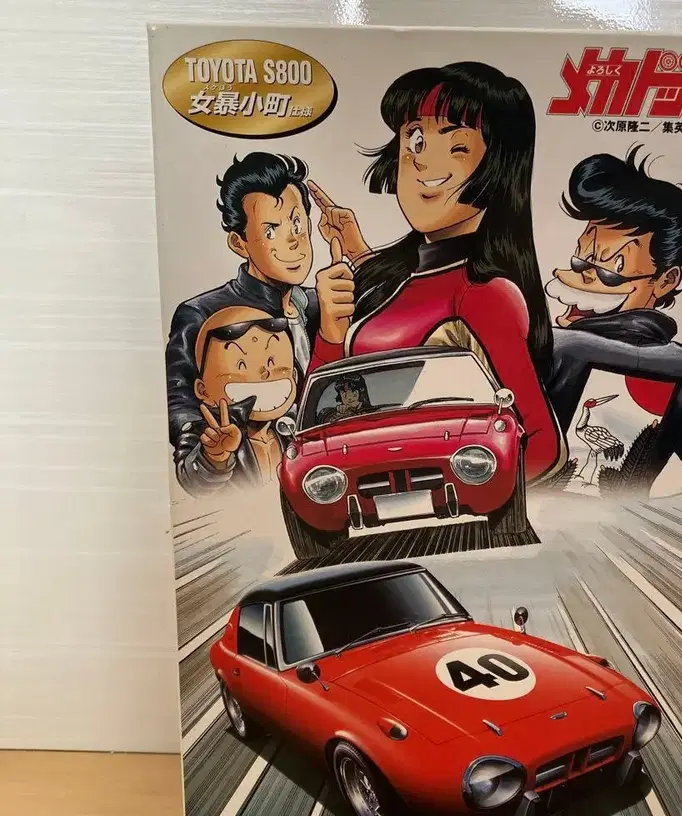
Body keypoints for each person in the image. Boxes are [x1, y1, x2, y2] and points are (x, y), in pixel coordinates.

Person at [306, 62, 565, 484]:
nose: (423, 163)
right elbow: (321, 424)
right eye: (416, 139)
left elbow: (540, 445)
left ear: (500, 165)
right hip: (356, 485)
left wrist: (468, 504)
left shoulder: (484, 294)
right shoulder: (402, 275)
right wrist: (337, 319)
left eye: (457, 147)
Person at [544, 146, 682, 494]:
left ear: (666, 280)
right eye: (580, 261)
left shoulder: (552, 347)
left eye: (611, 272)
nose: (581, 277)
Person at [165, 153, 327, 449]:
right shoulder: (203, 313)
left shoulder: (319, 305)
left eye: (296, 224)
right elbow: (178, 405)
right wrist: (217, 447)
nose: (293, 241)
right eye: (270, 231)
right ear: (239, 243)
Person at [173, 306, 298, 496]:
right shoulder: (205, 434)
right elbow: (193, 482)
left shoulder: (296, 424)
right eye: (242, 365)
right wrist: (215, 458)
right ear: (203, 390)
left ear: (294, 376)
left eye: (272, 362)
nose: (264, 373)